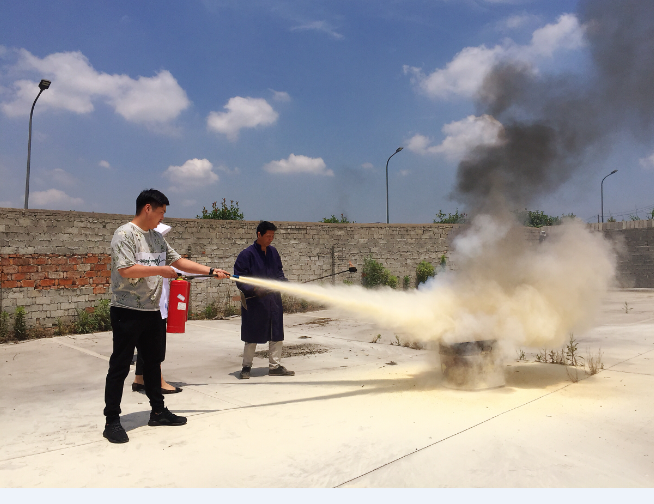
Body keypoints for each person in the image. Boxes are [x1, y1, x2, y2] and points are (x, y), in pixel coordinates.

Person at [103, 189, 229, 444]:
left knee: (153, 364)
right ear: (147, 208)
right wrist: (161, 270)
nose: (162, 218)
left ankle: (158, 412)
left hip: (153, 311)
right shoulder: (124, 234)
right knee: (120, 366)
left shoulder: (156, 237)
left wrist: (210, 270)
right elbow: (125, 270)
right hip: (127, 311)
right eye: (161, 212)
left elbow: (178, 261)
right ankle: (112, 421)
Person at [234, 221, 294, 379]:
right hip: (255, 302)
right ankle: (246, 367)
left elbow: (279, 272)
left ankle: (275, 366)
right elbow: (239, 278)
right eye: (268, 236)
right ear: (259, 234)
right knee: (251, 335)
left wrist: (284, 282)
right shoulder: (246, 255)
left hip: (274, 300)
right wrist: (254, 289)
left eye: (273, 236)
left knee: (276, 334)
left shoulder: (273, 252)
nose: (271, 239)